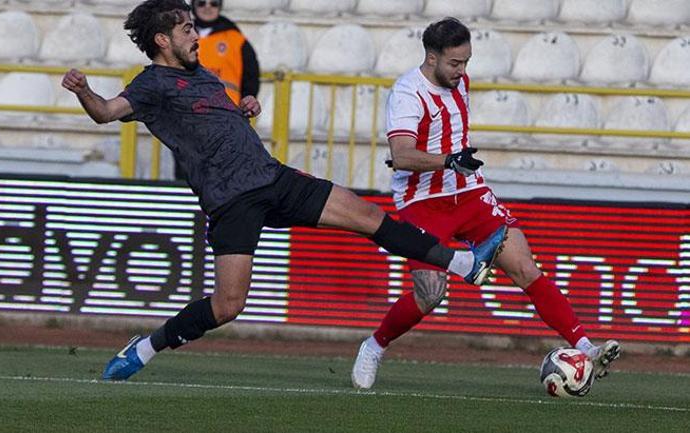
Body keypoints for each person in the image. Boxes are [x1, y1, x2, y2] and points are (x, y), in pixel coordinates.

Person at [61, 0, 507, 382]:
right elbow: (105, 112)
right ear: (162, 40)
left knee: (368, 217)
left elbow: (213, 122)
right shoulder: (150, 85)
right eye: (186, 29)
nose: (195, 34)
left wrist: (243, 111)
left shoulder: (203, 75)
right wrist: (85, 91)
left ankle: (465, 263)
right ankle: (145, 349)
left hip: (271, 177)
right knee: (228, 305)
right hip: (231, 200)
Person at [350, 17, 621, 390]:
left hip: (469, 193)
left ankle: (586, 347)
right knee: (430, 293)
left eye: (467, 62)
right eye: (455, 63)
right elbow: (401, 155)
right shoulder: (407, 94)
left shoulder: (459, 81)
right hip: (422, 201)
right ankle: (374, 345)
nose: (462, 71)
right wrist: (448, 160)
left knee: (525, 267)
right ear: (431, 58)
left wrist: (457, 167)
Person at [173, 0, 260, 180]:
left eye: (213, 3)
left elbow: (251, 73)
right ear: (193, 6)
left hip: (226, 115)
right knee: (187, 170)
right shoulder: (180, 34)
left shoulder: (234, 37)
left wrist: (248, 98)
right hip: (187, 113)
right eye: (201, 3)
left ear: (220, 6)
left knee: (224, 172)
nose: (207, 7)